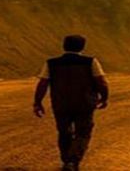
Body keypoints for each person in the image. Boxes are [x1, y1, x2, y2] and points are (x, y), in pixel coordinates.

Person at [34, 35, 109, 171]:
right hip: (84, 103)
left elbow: (42, 84)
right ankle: (73, 161)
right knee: (83, 132)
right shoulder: (90, 62)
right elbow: (101, 82)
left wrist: (37, 102)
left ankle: (66, 159)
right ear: (82, 47)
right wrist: (104, 97)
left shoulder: (51, 63)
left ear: (64, 46)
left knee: (64, 132)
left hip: (60, 103)